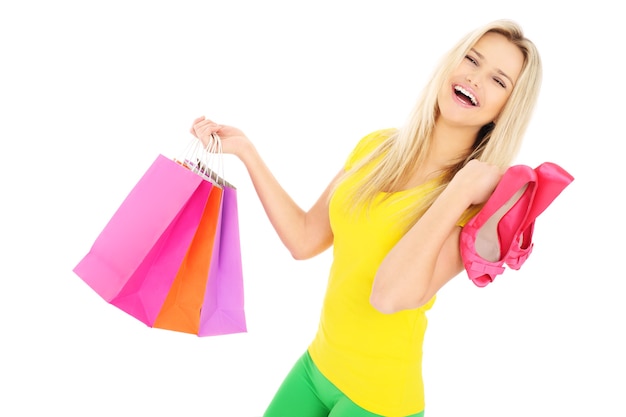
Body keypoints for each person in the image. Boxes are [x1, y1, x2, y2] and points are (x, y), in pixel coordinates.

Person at [190, 18, 542, 417]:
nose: (475, 79)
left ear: (506, 109)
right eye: (471, 60)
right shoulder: (376, 147)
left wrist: (459, 188)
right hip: (316, 366)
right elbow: (305, 238)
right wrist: (247, 152)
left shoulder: (478, 205)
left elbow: (388, 296)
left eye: (498, 81)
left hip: (379, 400)